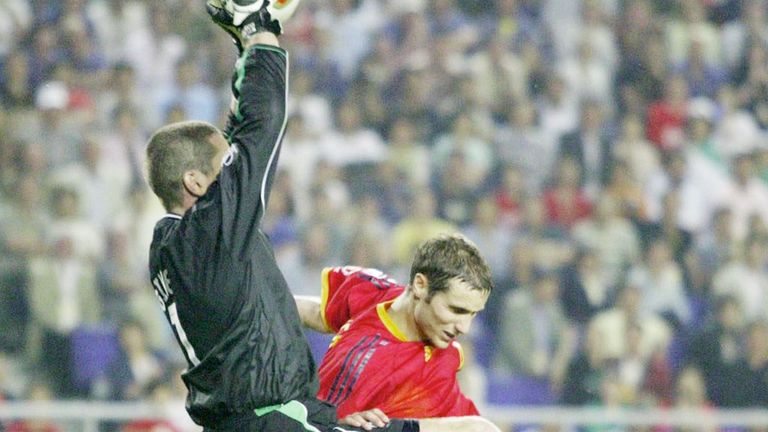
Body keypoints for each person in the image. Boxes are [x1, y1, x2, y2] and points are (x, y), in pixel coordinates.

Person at [146, 2, 499, 432]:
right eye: (227, 166)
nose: (236, 173)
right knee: (475, 429)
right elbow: (261, 126)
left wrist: (244, 47)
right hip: (270, 421)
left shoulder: (177, 247)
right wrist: (260, 35)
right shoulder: (209, 235)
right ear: (196, 183)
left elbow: (285, 308)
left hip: (282, 417)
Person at [295, 233, 497, 427]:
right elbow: (313, 312)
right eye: (456, 310)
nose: (464, 327)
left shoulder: (442, 359)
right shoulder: (369, 292)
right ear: (420, 285)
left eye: (472, 314)